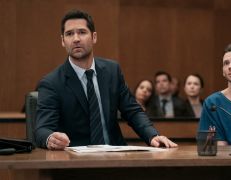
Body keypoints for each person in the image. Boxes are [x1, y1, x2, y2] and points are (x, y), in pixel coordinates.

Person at [35, 9, 177, 150]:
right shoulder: (51, 83)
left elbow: (132, 110)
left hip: (115, 156)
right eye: (69, 34)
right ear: (63, 41)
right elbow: (42, 129)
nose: (76, 39)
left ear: (94, 37)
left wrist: (152, 135)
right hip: (75, 162)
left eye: (82, 32)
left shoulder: (112, 71)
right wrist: (50, 138)